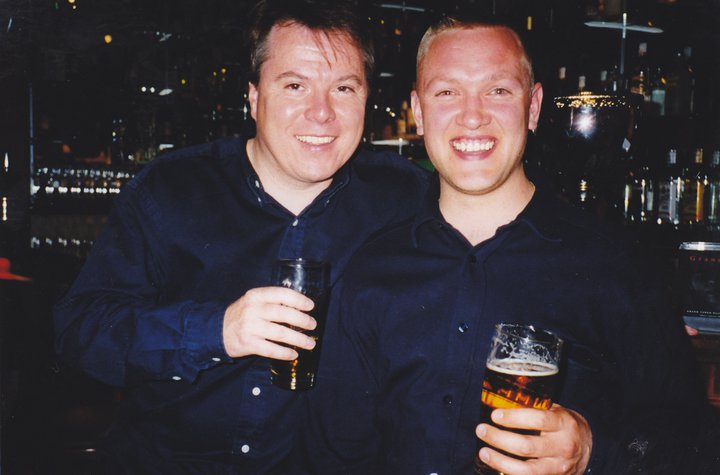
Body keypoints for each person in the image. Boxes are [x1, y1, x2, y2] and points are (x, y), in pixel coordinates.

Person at [302, 15, 718, 474]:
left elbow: (693, 444)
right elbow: (334, 455)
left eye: (498, 90)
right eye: (447, 93)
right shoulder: (370, 270)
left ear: (533, 107)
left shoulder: (615, 265)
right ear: (418, 111)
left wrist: (591, 452)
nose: (472, 116)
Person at [52, 0, 428, 472]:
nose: (322, 112)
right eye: (295, 85)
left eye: (344, 88)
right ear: (254, 97)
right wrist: (216, 330)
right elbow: (79, 331)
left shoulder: (406, 197)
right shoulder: (171, 188)